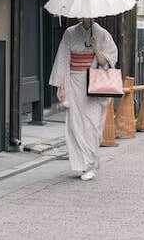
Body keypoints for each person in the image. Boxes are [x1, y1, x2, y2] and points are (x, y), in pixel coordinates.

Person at [49, 17, 118, 181]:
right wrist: (61, 85)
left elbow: (107, 63)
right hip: (74, 82)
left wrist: (96, 48)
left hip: (94, 83)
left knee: (92, 125)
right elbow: (63, 60)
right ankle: (80, 165)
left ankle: (91, 164)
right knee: (75, 125)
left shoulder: (102, 33)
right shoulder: (70, 33)